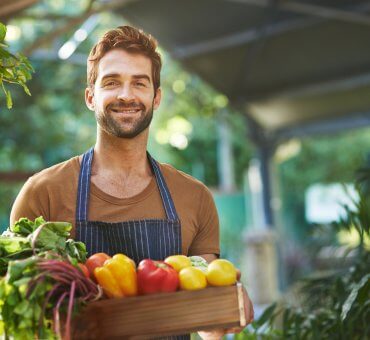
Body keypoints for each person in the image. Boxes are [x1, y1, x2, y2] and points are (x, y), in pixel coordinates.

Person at [10, 25, 253, 339]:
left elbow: (206, 323)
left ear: (156, 98)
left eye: (139, 83)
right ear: (90, 97)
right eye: (112, 82)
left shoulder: (194, 196)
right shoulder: (42, 193)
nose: (126, 95)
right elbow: (21, 318)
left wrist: (226, 310)